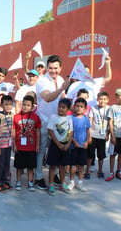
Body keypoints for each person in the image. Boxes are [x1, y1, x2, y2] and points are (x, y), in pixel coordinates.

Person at [35, 55, 71, 190]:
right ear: (47, 68)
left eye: (56, 68)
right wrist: (62, 88)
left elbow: (64, 100)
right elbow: (48, 98)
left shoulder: (61, 80)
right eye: (50, 68)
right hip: (44, 120)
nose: (53, 71)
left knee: (56, 149)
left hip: (58, 122)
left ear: (60, 68)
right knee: (42, 150)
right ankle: (39, 177)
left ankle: (55, 175)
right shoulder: (42, 81)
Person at [13, 95, 41, 191]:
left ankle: (30, 181)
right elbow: (14, 131)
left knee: (30, 166)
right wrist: (14, 145)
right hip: (20, 146)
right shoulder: (16, 117)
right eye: (24, 104)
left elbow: (37, 131)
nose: (25, 107)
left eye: (28, 105)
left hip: (31, 146)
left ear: (32, 107)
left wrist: (37, 145)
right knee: (19, 166)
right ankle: (18, 181)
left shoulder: (36, 117)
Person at [46, 98, 73, 195]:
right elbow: (50, 131)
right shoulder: (53, 117)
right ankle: (51, 184)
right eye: (59, 107)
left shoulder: (69, 119)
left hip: (65, 145)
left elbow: (70, 132)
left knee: (63, 166)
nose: (60, 109)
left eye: (63, 107)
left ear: (68, 109)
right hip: (55, 144)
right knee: (53, 165)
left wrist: (68, 144)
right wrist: (58, 143)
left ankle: (62, 183)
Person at [85, 91, 110, 179]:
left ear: (107, 100)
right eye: (100, 99)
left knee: (101, 155)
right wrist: (89, 135)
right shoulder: (93, 108)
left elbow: (110, 123)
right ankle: (87, 171)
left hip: (102, 136)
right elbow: (90, 121)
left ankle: (100, 170)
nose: (102, 101)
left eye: (104, 99)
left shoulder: (109, 109)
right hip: (94, 134)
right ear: (97, 100)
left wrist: (108, 134)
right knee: (90, 154)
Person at [68, 98, 91, 192]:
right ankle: (72, 181)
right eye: (77, 106)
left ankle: (80, 182)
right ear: (74, 107)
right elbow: (69, 132)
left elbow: (88, 131)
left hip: (83, 145)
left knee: (81, 165)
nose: (79, 108)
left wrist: (87, 141)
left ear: (85, 108)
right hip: (73, 146)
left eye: (81, 106)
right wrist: (73, 141)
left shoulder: (86, 119)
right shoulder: (71, 118)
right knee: (72, 165)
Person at [0, 95, 14, 191]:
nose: (8, 106)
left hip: (8, 144)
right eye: (6, 104)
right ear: (1, 105)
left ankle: (5, 181)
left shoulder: (12, 115)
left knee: (7, 164)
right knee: (0, 164)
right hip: (1, 145)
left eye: (10, 104)